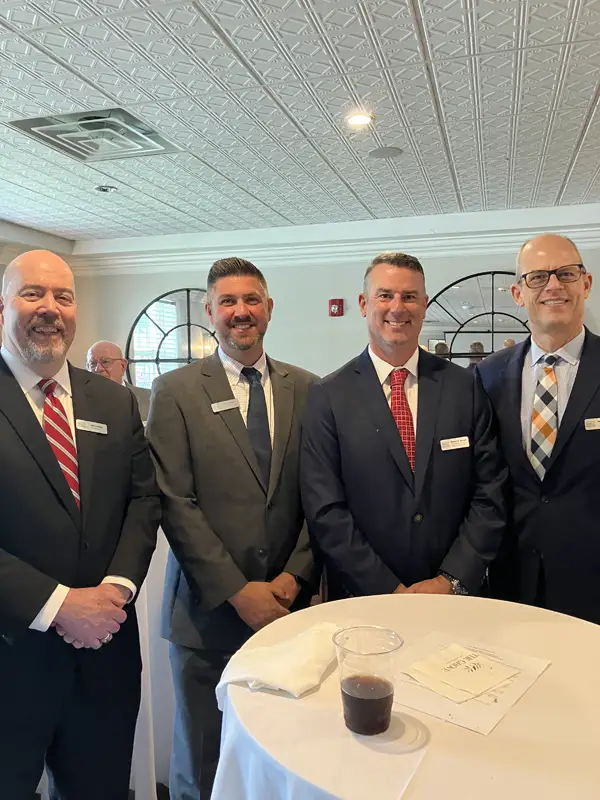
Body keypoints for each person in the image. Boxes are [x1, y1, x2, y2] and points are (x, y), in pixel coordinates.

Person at [146, 257, 318, 799]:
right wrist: (237, 591)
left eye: (251, 300)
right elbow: (174, 501)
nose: (240, 312)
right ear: (209, 312)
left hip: (290, 612)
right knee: (202, 762)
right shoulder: (173, 391)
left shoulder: (309, 389)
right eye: (228, 302)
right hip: (206, 613)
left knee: (284, 752)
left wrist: (294, 576)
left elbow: (322, 498)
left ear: (269, 308)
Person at [0, 250, 160, 799]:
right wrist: (58, 605)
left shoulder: (115, 403)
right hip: (10, 660)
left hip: (104, 657)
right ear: (2, 307)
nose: (50, 308)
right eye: (32, 294)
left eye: (63, 297)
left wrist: (115, 591)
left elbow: (143, 502)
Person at [301, 252, 506, 601]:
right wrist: (387, 590)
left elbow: (490, 491)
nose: (398, 307)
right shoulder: (328, 396)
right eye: (385, 295)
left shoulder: (465, 387)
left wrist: (452, 579)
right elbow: (326, 509)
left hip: (453, 598)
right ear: (364, 304)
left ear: (424, 305)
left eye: (409, 296)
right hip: (362, 599)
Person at [478, 234, 600, 624]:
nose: (553, 285)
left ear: (586, 283)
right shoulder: (486, 376)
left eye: (566, 273)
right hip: (509, 583)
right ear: (518, 292)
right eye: (538, 277)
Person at [86, 340, 152, 422]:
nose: (98, 369)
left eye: (105, 362)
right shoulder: (79, 401)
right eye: (92, 364)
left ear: (123, 366)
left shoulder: (150, 399)